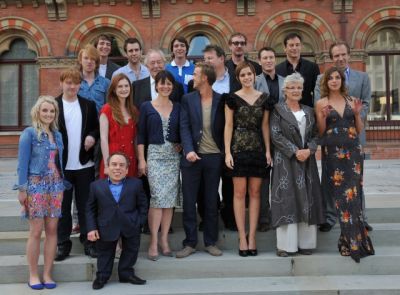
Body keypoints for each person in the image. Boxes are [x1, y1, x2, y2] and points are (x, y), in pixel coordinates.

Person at [315, 67, 374, 263]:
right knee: (341, 198)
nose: (334, 80)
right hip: (333, 156)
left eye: (337, 77)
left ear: (342, 80)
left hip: (353, 154)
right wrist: (322, 117)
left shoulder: (351, 100)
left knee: (354, 196)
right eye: (330, 78)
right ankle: (349, 240)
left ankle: (347, 240)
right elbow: (321, 132)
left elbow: (357, 130)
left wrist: (357, 114)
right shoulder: (321, 103)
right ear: (326, 82)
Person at [14, 96, 67, 290]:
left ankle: (47, 274)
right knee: (36, 231)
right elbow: (22, 164)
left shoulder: (57, 135)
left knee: (52, 231)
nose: (48, 114)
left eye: (52, 111)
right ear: (38, 111)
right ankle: (34, 274)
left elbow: (60, 162)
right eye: (45, 110)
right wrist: (22, 190)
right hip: (36, 185)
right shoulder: (29, 133)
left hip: (56, 186)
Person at [269, 72, 323, 257]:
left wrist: (310, 150)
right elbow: (275, 134)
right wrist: (294, 151)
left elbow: (316, 134)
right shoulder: (277, 110)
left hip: (307, 162)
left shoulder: (309, 111)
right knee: (287, 200)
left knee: (307, 198)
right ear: (285, 90)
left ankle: (306, 243)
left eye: (298, 87)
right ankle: (286, 246)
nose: (295, 90)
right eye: (291, 87)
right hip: (286, 162)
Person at [224, 61, 272, 257]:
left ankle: (252, 237)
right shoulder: (231, 99)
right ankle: (242, 237)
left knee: (255, 193)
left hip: (258, 149)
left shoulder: (265, 99)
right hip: (238, 149)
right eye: (242, 75)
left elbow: (265, 127)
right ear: (238, 78)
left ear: (254, 76)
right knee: (239, 193)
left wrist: (268, 151)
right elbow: (228, 126)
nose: (246, 78)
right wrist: (227, 152)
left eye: (249, 74)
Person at [177, 62, 224, 258]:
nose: (192, 77)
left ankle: (211, 242)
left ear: (205, 78)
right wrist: (188, 150)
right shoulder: (187, 99)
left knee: (211, 201)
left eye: (195, 74)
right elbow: (184, 127)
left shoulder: (222, 100)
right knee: (189, 202)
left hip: (214, 158)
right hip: (192, 158)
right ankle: (190, 243)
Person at [55, 67, 99, 261]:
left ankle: (88, 242)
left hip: (84, 164)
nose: (72, 86)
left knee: (85, 206)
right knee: (63, 208)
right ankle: (63, 244)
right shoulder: (54, 105)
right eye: (68, 82)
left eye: (75, 82)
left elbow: (96, 128)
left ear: (80, 85)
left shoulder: (88, 105)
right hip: (61, 167)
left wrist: (91, 136)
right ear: (62, 83)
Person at [86, 152, 148, 290]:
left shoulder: (136, 184)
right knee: (105, 253)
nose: (117, 168)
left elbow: (143, 205)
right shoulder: (96, 186)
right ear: (107, 168)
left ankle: (126, 273)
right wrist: (91, 228)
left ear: (126, 170)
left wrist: (139, 222)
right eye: (114, 164)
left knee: (131, 250)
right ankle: (102, 276)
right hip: (106, 225)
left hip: (130, 224)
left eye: (121, 165)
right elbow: (90, 209)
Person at [137, 70, 181, 261]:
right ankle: (153, 241)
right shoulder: (146, 107)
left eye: (169, 83)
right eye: (162, 83)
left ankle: (164, 240)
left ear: (172, 86)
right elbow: (140, 136)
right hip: (154, 156)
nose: (165, 86)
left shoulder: (178, 107)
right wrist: (141, 160)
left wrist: (181, 144)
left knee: (169, 200)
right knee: (157, 199)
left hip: (173, 158)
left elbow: (183, 130)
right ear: (156, 86)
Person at [255, 46, 285, 232]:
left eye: (271, 57)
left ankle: (280, 213)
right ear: (259, 61)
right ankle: (264, 217)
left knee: (281, 176)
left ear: (275, 59)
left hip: (282, 133)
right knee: (264, 177)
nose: (268, 60)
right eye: (265, 58)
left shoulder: (285, 81)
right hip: (261, 134)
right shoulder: (255, 81)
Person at [99, 73, 138, 179]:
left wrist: (138, 160)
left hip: (130, 157)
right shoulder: (106, 109)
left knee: (129, 191)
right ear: (114, 90)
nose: (124, 89)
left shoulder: (133, 110)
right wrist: (107, 164)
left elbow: (135, 139)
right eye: (120, 86)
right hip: (113, 158)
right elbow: (103, 138)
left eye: (126, 86)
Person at [275, 33, 320, 107]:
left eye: (297, 45)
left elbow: (317, 92)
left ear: (301, 46)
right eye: (291, 45)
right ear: (285, 48)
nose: (295, 48)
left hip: (307, 111)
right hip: (285, 112)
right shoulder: (277, 69)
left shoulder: (312, 67)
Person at [77, 44, 110, 113]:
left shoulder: (106, 83)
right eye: (86, 58)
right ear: (80, 60)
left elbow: (109, 107)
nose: (89, 61)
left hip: (99, 122)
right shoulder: (74, 82)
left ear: (96, 62)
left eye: (92, 58)